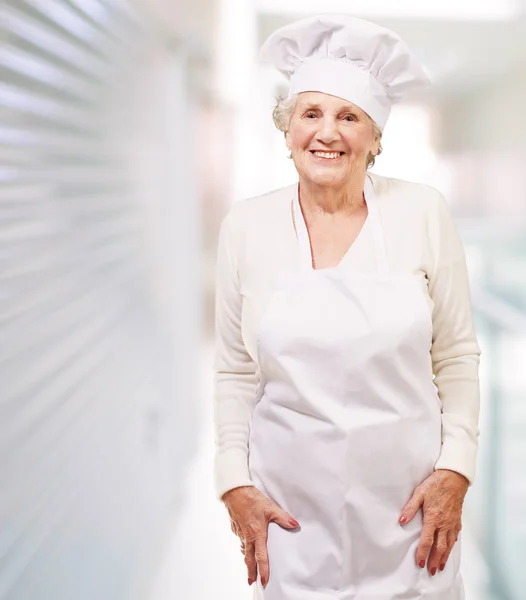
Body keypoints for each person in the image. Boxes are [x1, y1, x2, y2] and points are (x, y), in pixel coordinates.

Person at [213, 14, 481, 600]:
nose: (327, 133)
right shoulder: (247, 226)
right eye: (310, 114)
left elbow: (457, 355)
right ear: (287, 132)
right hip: (292, 522)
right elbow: (235, 369)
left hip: (413, 520)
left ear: (375, 137)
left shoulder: (422, 213)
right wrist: (233, 482)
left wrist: (455, 469)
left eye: (348, 116)